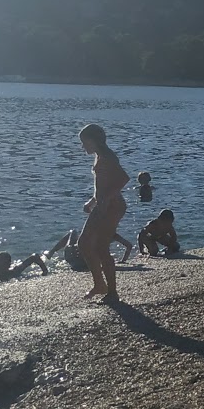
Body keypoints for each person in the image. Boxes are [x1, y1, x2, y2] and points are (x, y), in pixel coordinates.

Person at [78, 123, 129, 302]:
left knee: (100, 246)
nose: (83, 146)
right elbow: (104, 183)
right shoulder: (100, 156)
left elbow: (123, 178)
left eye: (85, 142)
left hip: (112, 207)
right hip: (103, 205)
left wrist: (106, 199)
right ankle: (100, 284)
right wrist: (93, 201)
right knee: (84, 243)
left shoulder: (107, 156)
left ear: (94, 141)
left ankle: (111, 292)